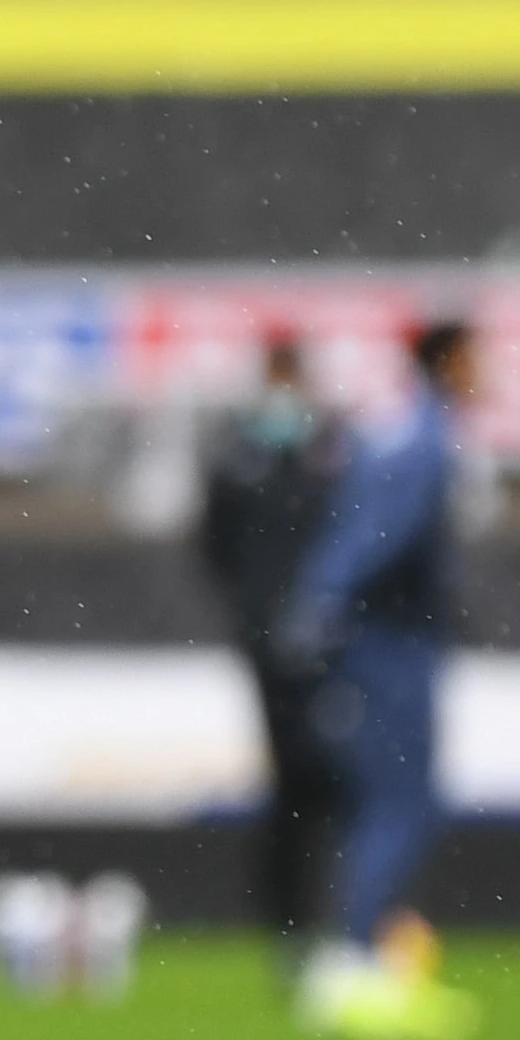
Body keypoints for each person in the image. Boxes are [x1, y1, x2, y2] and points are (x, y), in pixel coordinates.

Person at [285, 317, 480, 1040]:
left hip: (379, 641)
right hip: (388, 647)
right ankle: (356, 964)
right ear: (447, 361)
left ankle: (354, 959)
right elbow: (373, 538)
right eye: (474, 360)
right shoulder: (422, 443)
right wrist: (325, 604)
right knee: (400, 805)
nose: (483, 376)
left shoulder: (403, 433)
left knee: (389, 804)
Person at [196, 332, 351, 976]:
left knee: (335, 779)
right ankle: (291, 921)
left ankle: (344, 917)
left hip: (333, 645)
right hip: (269, 646)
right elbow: (216, 546)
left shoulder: (331, 451)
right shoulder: (238, 456)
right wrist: (257, 617)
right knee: (294, 781)